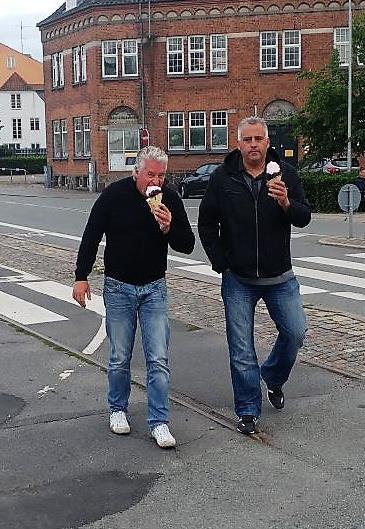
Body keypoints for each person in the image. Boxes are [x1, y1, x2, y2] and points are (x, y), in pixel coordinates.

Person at [72, 146, 195, 448]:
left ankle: (160, 421)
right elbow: (91, 234)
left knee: (158, 358)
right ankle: (117, 409)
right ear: (136, 172)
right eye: (150, 174)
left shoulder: (169, 199)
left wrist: (168, 228)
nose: (155, 180)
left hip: (154, 287)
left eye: (161, 175)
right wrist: (81, 276)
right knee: (119, 357)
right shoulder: (115, 195)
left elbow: (188, 244)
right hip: (119, 287)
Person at [198, 116, 311, 435]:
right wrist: (221, 261)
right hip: (239, 279)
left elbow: (304, 217)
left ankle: (273, 378)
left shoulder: (285, 174)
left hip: (280, 275)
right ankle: (248, 410)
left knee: (296, 332)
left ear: (267, 142)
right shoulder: (223, 178)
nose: (253, 145)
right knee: (241, 348)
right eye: (247, 140)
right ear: (238, 144)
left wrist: (287, 202)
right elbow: (206, 223)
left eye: (258, 139)